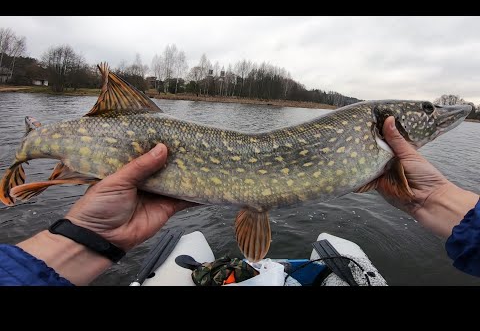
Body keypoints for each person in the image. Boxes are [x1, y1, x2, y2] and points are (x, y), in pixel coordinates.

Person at [0, 116, 479, 285]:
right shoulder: (374, 131)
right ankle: (27, 158)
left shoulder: (379, 153)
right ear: (389, 125)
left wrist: (430, 196)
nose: (442, 115)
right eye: (430, 113)